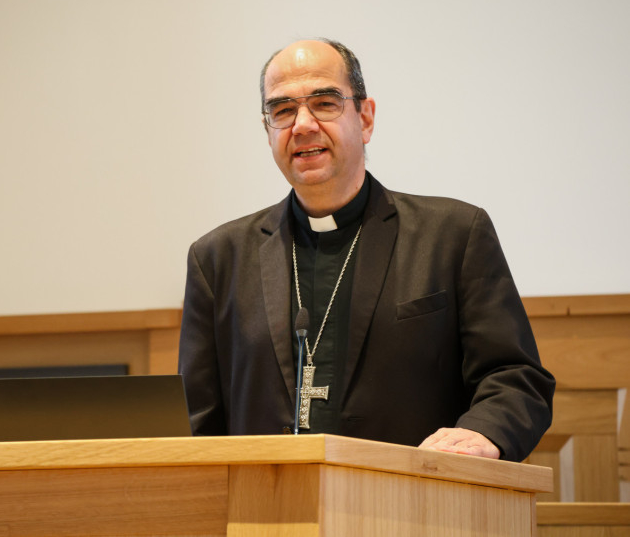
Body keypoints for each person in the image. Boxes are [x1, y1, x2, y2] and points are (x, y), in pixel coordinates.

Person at [177, 38, 554, 461]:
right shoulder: (218, 259)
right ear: (268, 132)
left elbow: (516, 377)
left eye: (324, 103)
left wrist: (483, 432)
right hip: (266, 499)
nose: (302, 125)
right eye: (282, 110)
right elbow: (195, 421)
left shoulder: (453, 235)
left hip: (411, 496)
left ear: (366, 118)